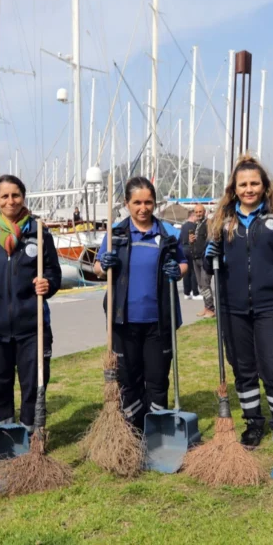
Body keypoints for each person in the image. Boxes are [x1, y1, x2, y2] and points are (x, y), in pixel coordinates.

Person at [204, 155, 273, 447]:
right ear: (234, 189)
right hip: (233, 307)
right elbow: (204, 259)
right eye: (243, 184)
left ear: (264, 186)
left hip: (270, 305)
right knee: (244, 368)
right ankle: (253, 423)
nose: (249, 189)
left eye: (254, 183)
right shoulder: (222, 221)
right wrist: (210, 254)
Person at [0, 174, 61, 428]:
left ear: (23, 197)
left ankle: (31, 438)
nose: (10, 201)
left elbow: (54, 272)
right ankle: (5, 437)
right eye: (4, 196)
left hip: (33, 328)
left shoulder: (39, 232)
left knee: (33, 386)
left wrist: (47, 283)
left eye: (15, 195)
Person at [95, 177, 187, 426]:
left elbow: (184, 262)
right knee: (128, 377)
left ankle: (156, 426)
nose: (143, 208)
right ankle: (134, 427)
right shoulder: (115, 234)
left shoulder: (167, 233)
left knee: (157, 378)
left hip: (160, 320)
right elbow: (97, 268)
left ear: (155, 203)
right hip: (123, 320)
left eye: (148, 202)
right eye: (137, 202)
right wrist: (104, 265)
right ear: (127, 203)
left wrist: (178, 270)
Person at [191, 204, 215, 317]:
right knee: (201, 285)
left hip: (204, 258)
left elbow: (210, 238)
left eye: (200, 212)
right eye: (196, 212)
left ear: (204, 212)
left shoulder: (208, 223)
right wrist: (191, 241)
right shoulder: (197, 225)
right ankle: (206, 307)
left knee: (205, 284)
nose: (198, 214)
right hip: (196, 258)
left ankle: (211, 309)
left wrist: (204, 252)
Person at [179, 210, 199, 300]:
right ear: (192, 216)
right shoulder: (195, 226)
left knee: (186, 272)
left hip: (183, 249)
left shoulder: (183, 226)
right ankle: (195, 292)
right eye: (196, 216)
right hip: (191, 249)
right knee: (194, 271)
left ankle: (187, 293)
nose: (197, 218)